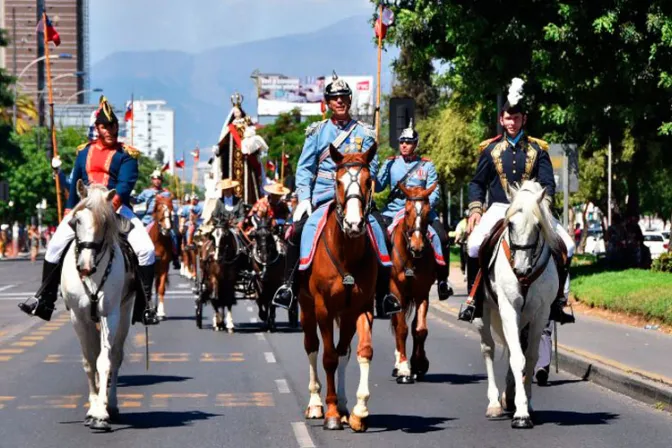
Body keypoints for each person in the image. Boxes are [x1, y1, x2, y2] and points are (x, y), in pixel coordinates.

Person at [19, 96, 160, 325]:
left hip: (115, 208)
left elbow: (124, 187)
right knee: (54, 247)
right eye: (104, 126)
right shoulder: (83, 153)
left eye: (112, 125)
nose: (109, 130)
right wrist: (68, 211)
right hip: (83, 209)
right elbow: (76, 184)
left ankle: (145, 307)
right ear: (97, 128)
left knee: (146, 251)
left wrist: (104, 209)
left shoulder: (127, 155)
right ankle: (45, 300)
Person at [272, 72, 402, 315]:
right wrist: (304, 199)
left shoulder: (364, 132)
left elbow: (372, 167)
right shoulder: (317, 132)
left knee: (382, 231)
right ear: (328, 103)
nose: (340, 101)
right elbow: (305, 168)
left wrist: (362, 186)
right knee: (297, 231)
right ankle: (288, 287)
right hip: (323, 196)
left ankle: (384, 295)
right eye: (335, 98)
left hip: (356, 198)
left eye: (344, 97)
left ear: (350, 100)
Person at [457, 77, 575, 325]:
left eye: (517, 118)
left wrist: (544, 205)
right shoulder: (490, 150)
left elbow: (547, 183)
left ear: (524, 119)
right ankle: (474, 299)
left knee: (568, 245)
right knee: (474, 246)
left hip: (532, 210)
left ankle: (559, 301)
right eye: (508, 118)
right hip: (500, 209)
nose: (512, 122)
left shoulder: (537, 150)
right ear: (501, 120)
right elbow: (477, 183)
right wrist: (476, 209)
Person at [375, 119, 454, 301]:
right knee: (379, 236)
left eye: (409, 142)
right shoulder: (391, 163)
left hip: (421, 211)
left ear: (415, 144)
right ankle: (381, 283)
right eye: (402, 142)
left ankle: (443, 281)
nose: (404, 145)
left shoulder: (427, 165)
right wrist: (375, 167)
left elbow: (434, 194)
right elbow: (378, 188)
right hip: (395, 210)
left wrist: (423, 209)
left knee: (442, 237)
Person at [135, 170, 180, 269]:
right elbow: (137, 200)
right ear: (152, 180)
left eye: (159, 179)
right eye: (155, 179)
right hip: (148, 219)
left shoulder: (167, 193)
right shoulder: (146, 192)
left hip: (162, 219)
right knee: (137, 234)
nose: (157, 181)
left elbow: (171, 206)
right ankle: (135, 256)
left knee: (174, 234)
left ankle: (175, 256)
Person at [454, 210, 469, 280]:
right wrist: (457, 239)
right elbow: (458, 233)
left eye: (469, 217)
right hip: (464, 243)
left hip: (471, 242)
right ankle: (464, 269)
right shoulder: (461, 224)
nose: (468, 219)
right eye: (466, 217)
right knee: (464, 259)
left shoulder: (475, 221)